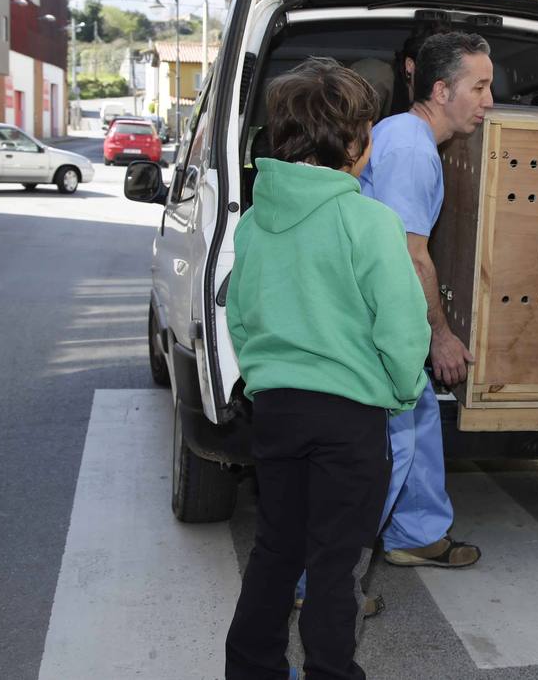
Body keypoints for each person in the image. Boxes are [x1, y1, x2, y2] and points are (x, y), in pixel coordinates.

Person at [223, 58, 430, 680]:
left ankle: (252, 669)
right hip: (349, 417)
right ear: (352, 142)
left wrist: (262, 380)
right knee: (334, 563)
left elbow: (239, 315)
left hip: (277, 408)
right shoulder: (368, 220)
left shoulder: (255, 222)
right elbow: (402, 324)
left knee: (276, 549)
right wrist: (400, 390)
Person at [362, 30, 494, 568]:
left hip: (385, 317)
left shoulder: (403, 133)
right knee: (384, 451)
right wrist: (440, 334)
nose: (489, 101)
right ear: (441, 91)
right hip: (378, 323)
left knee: (415, 422)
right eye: (479, 87)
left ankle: (417, 533)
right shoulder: (413, 151)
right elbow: (410, 255)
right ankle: (316, 581)